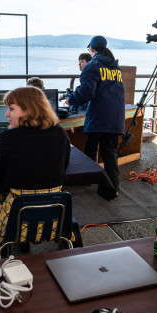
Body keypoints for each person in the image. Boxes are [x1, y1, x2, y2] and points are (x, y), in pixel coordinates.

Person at [0, 86, 71, 251]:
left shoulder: (7, 138)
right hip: (56, 219)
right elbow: (63, 171)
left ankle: (5, 253)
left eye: (11, 109)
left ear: (28, 110)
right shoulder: (60, 134)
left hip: (16, 223)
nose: (7, 114)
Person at [66, 36, 125, 200]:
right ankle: (112, 188)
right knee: (109, 153)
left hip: (100, 116)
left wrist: (71, 99)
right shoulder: (115, 67)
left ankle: (88, 179)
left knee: (91, 149)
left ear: (91, 49)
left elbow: (87, 92)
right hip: (115, 116)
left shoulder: (92, 65)